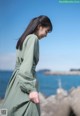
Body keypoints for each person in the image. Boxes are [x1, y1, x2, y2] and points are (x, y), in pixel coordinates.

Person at [0, 15, 53, 116]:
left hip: (16, 81)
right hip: (24, 85)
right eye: (47, 31)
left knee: (10, 110)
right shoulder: (33, 39)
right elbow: (26, 68)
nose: (46, 35)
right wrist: (31, 90)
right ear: (39, 26)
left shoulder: (25, 38)